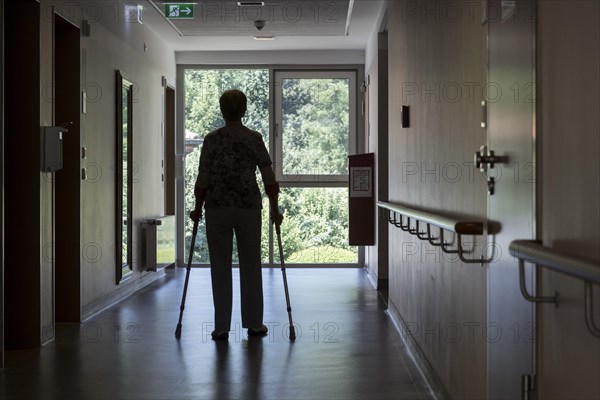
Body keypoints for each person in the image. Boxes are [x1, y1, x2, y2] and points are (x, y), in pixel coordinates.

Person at [190, 89, 283, 341]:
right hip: (248, 208)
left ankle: (221, 327)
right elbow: (269, 178)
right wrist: (275, 208)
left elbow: (203, 179)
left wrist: (197, 208)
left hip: (217, 207)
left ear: (221, 110)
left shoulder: (211, 140)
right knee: (251, 264)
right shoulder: (254, 138)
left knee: (219, 266)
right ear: (244, 110)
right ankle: (254, 323)